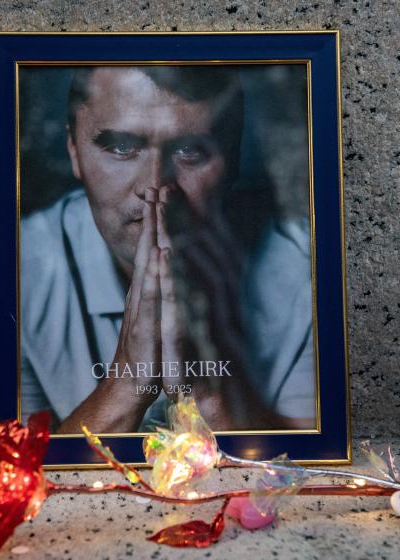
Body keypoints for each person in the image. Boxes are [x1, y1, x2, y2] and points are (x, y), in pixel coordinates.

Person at [20, 66, 316, 434]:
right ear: (73, 151)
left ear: (233, 158)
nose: (155, 185)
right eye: (122, 147)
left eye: (190, 151)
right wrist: (126, 385)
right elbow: (12, 477)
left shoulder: (306, 272)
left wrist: (207, 391)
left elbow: (314, 473)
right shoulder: (21, 269)